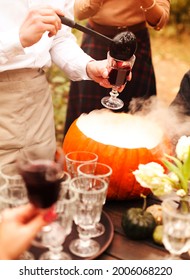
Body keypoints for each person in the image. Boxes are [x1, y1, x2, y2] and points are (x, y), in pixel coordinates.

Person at [0, 1, 116, 166]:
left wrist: (88, 66)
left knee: (41, 185)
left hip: (39, 106)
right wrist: (18, 39)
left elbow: (58, 39)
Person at [64, 0, 171, 135]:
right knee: (86, 119)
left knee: (137, 120)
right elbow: (79, 12)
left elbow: (160, 20)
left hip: (134, 43)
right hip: (97, 38)